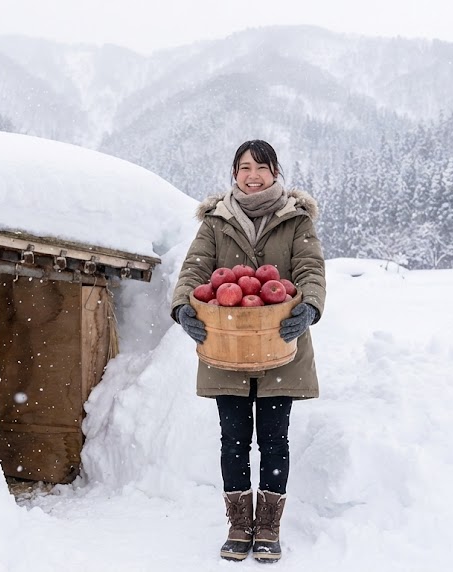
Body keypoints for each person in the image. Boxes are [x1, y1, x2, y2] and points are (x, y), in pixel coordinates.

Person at [170, 140, 326, 563]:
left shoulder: (296, 220)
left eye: (261, 167)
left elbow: (311, 268)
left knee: (275, 440)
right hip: (227, 345)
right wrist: (184, 304)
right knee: (233, 440)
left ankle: (269, 527)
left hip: (281, 346)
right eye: (244, 167)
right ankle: (240, 525)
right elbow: (196, 268)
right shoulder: (215, 222)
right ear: (233, 175)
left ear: (276, 173)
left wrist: (309, 306)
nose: (252, 174)